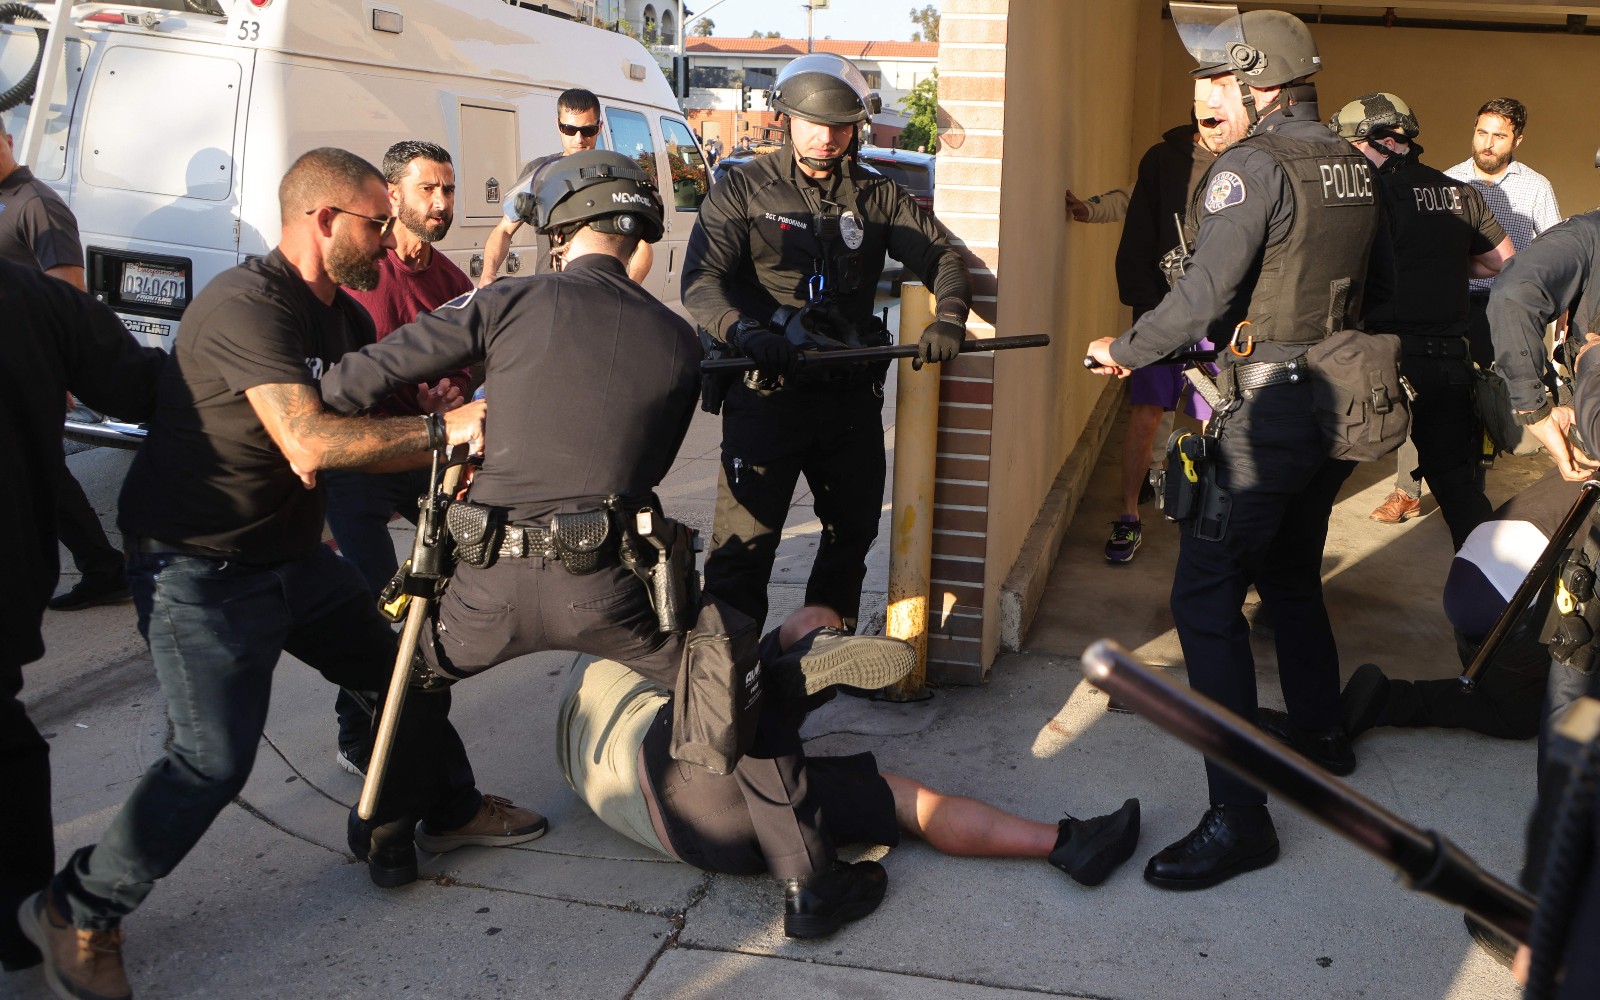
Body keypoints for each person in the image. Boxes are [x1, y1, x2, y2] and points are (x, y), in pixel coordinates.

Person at [320, 149, 913, 934]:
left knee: (411, 675)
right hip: (607, 591)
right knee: (729, 683)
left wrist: (438, 421)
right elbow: (647, 465)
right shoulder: (676, 341)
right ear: (641, 243)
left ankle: (392, 839)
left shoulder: (502, 301)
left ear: (561, 233)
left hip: (483, 587)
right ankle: (810, 886)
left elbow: (348, 385)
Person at [18, 148, 543, 1000]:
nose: (390, 236)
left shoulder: (343, 321)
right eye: (378, 221)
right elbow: (311, 442)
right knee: (210, 761)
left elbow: (359, 438)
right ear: (324, 220)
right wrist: (447, 434)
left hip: (291, 556)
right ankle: (79, 908)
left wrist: (451, 470)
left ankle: (435, 811)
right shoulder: (246, 303)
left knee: (406, 672)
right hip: (199, 565)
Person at [1086, 6, 1381, 890]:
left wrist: (1126, 348)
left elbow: (1203, 298)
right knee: (1290, 570)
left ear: (1264, 86)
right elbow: (1384, 285)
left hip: (1268, 412)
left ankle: (1240, 818)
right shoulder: (1353, 162)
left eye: (1220, 81)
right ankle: (1323, 733)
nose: (1207, 96)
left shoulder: (1249, 169)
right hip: (1336, 400)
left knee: (1205, 600)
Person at [557, 605, 1143, 936]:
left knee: (901, 797)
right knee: (780, 645)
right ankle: (1063, 844)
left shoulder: (579, 720)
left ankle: (791, 677)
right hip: (681, 756)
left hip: (696, 838)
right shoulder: (626, 654)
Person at [682, 52, 973, 632]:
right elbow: (701, 284)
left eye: (840, 126)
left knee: (853, 530)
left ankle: (816, 656)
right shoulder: (741, 188)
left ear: (856, 128)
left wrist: (950, 317)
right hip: (766, 394)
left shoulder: (877, 194)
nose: (826, 137)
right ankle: (725, 682)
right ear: (785, 118)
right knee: (744, 550)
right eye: (813, 124)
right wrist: (745, 330)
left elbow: (941, 255)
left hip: (847, 399)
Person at [0, 261, 165, 979]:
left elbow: (139, 385)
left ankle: (21, 924)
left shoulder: (29, 297)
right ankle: (21, 923)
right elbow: (145, 385)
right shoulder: (29, 294)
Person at [324, 139, 473, 777]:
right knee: (364, 610)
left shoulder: (452, 281)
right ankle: (360, 738)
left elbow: (472, 362)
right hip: (360, 460)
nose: (440, 204)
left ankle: (416, 694)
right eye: (427, 190)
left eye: (447, 190)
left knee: (455, 578)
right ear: (394, 196)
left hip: (424, 455)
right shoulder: (361, 273)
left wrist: (455, 387)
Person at [1328, 93, 1513, 548]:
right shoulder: (1460, 192)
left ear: (1387, 141)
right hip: (1447, 360)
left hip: (1376, 362)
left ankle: (1283, 605)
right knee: (1459, 489)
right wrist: (1446, 265)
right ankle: (1496, 605)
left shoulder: (1366, 195)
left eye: (1353, 145)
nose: (1347, 156)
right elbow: (1500, 262)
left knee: (1320, 482)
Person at [1334, 469, 1573, 746]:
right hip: (1514, 607)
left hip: (1475, 567)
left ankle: (1391, 699)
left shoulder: (1591, 442)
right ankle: (1392, 701)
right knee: (1519, 716)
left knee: (1512, 691)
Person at [0, 117, 130, 611]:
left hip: (26, 369)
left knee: (42, 474)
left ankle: (103, 566)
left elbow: (68, 296)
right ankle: (102, 565)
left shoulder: (36, 205)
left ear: (9, 141)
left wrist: (56, 372)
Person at [1099, 81, 1230, 563]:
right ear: (1195, 118)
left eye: (1223, 120)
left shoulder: (1245, 162)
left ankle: (1193, 511)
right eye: (1208, 121)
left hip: (1218, 314)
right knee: (1147, 414)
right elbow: (1139, 230)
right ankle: (1130, 516)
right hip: (1161, 309)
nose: (1217, 130)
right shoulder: (1162, 159)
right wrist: (1144, 306)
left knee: (1204, 416)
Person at [478, 88, 652, 286]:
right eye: (569, 129)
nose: (579, 139)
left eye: (587, 130)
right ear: (558, 125)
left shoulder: (619, 174)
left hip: (601, 293)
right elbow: (504, 230)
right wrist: (488, 274)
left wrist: (629, 287)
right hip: (550, 293)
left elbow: (643, 244)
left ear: (600, 127)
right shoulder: (539, 172)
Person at [1445, 97, 1562, 369]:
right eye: (1482, 133)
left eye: (1499, 136)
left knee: (1511, 399)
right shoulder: (1448, 182)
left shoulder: (1536, 187)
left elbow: (1557, 257)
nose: (1487, 144)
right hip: (1455, 306)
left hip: (1512, 308)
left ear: (1517, 140)